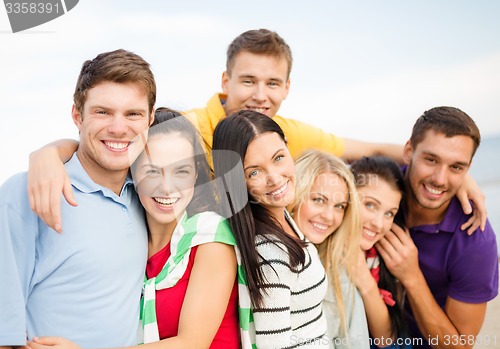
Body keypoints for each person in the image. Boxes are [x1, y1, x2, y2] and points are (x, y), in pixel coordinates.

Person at [25, 29, 486, 234]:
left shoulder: (281, 133)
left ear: (287, 88)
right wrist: (47, 154)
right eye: (247, 80)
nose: (259, 94)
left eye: (272, 83)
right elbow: (119, 140)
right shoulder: (184, 127)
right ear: (225, 82)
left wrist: (454, 174)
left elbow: (370, 148)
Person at [27, 110, 241, 349]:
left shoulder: (210, 236)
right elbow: (90, 148)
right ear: (132, 173)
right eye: (152, 171)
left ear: (195, 175)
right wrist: (46, 154)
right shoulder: (128, 233)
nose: (167, 187)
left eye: (181, 171)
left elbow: (192, 343)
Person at [0, 49, 156, 347]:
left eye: (132, 114)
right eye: (102, 112)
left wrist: (48, 151)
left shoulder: (150, 195)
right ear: (77, 116)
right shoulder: (25, 192)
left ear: (150, 118)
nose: (119, 128)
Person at [376, 107, 499, 349]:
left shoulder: (475, 241)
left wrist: (412, 278)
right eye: (431, 160)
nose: (440, 179)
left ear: (467, 169)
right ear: (409, 151)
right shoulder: (378, 189)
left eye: (456, 167)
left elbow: (459, 346)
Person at [212, 110, 329, 348]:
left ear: (288, 148)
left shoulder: (283, 217)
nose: (274, 178)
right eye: (254, 172)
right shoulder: (271, 253)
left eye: (278, 158)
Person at [288, 150, 370, 349]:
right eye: (318, 200)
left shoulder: (337, 272)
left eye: (339, 206)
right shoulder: (260, 254)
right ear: (295, 194)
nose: (329, 216)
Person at [350, 156, 410, 349]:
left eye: (389, 213)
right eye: (370, 205)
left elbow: (387, 339)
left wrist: (364, 279)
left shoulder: (381, 257)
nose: (379, 223)